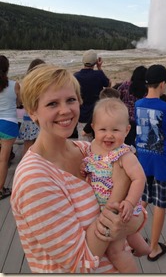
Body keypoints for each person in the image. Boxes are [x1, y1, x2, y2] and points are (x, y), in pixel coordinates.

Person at [10, 65, 146, 273]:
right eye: (52, 103)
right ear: (32, 111)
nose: (65, 110)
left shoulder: (87, 151)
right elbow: (80, 263)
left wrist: (125, 219)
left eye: (71, 100)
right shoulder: (34, 178)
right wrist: (120, 189)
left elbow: (140, 216)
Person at [81, 98, 150, 273]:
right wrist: (84, 167)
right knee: (125, 232)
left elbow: (139, 178)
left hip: (120, 207)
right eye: (103, 129)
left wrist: (130, 202)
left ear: (126, 130)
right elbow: (92, 169)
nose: (109, 135)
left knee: (115, 250)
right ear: (94, 127)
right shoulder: (92, 148)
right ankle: (142, 248)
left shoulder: (124, 155)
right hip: (104, 206)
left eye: (115, 130)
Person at [135, 64, 166, 261]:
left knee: (142, 200)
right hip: (163, 163)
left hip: (143, 160)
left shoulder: (138, 104)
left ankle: (134, 240)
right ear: (163, 84)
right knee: (160, 205)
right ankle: (154, 247)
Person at [74, 49, 110, 141]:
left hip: (82, 115)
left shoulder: (76, 76)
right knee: (99, 145)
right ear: (95, 62)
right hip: (97, 115)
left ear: (83, 61)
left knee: (83, 146)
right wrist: (99, 68)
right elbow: (108, 85)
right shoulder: (98, 75)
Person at [0, 55, 21, 200]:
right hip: (8, 124)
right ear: (7, 68)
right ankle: (0, 189)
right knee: (3, 160)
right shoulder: (15, 85)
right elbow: (20, 103)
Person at [18, 58, 45, 154]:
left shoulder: (26, 83)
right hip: (41, 116)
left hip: (28, 116)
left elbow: (21, 100)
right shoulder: (43, 84)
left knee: (27, 145)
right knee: (42, 145)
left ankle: (25, 165)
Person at [117, 66, 147, 146]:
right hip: (140, 120)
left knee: (125, 144)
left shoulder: (125, 85)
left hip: (125, 119)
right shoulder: (146, 89)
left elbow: (117, 97)